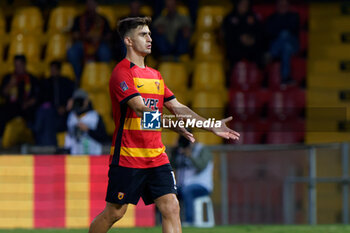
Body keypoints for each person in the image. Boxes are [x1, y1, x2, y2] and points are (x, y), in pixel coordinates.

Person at [88, 16, 240, 233]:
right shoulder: (121, 73)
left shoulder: (155, 75)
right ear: (129, 41)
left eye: (149, 34)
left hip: (156, 156)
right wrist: (169, 124)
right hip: (129, 156)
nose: (150, 38)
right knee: (115, 212)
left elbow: (179, 108)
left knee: (171, 206)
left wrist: (211, 125)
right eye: (143, 34)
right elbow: (141, 109)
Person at [171, 135, 213, 225]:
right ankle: (168, 222)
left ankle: (189, 221)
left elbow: (201, 166)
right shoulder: (179, 151)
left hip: (202, 185)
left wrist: (190, 155)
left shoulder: (202, 149)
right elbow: (172, 164)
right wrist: (174, 150)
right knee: (169, 192)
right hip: (183, 185)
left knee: (187, 191)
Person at [67, 0, 112, 81]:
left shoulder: (102, 19)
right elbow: (74, 34)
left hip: (99, 44)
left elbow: (109, 36)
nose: (91, 6)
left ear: (96, 5)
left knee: (105, 52)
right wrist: (86, 36)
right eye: (89, 4)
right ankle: (79, 78)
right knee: (72, 52)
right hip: (83, 43)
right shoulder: (79, 19)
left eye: (93, 4)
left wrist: (99, 38)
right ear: (86, 5)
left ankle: (104, 78)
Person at [34, 61, 75, 146]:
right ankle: (47, 144)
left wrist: (64, 108)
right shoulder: (46, 83)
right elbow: (42, 100)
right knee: (46, 115)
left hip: (66, 113)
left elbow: (72, 98)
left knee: (46, 120)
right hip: (51, 113)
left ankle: (45, 143)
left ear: (59, 70)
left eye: (54, 69)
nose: (52, 72)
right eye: (51, 70)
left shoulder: (67, 82)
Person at [0, 55, 40, 138]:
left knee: (37, 112)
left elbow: (37, 97)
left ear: (24, 65)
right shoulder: (9, 77)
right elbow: (3, 94)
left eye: (19, 65)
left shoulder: (32, 79)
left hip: (27, 107)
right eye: (15, 65)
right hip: (12, 106)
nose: (17, 68)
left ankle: (35, 140)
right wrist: (10, 84)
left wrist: (29, 103)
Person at [265, 0, 299, 84]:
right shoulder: (271, 18)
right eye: (281, 4)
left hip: (293, 45)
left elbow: (292, 29)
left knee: (285, 34)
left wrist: (280, 29)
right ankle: (285, 77)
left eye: (285, 5)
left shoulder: (294, 16)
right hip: (283, 46)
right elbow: (269, 33)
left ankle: (271, 53)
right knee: (286, 48)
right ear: (277, 6)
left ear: (288, 6)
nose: (283, 6)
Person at [222, 0, 263, 69]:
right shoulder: (230, 17)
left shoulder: (253, 17)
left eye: (246, 4)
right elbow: (227, 35)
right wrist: (239, 38)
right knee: (231, 53)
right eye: (242, 4)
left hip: (251, 46)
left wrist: (252, 39)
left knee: (259, 52)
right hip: (235, 46)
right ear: (237, 4)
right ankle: (230, 76)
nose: (244, 6)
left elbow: (260, 32)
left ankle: (260, 76)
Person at [64, 89, 107, 155]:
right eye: (76, 101)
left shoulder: (95, 116)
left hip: (93, 156)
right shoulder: (70, 116)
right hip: (74, 158)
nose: (78, 103)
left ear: (86, 101)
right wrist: (66, 110)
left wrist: (88, 130)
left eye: (81, 100)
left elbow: (104, 137)